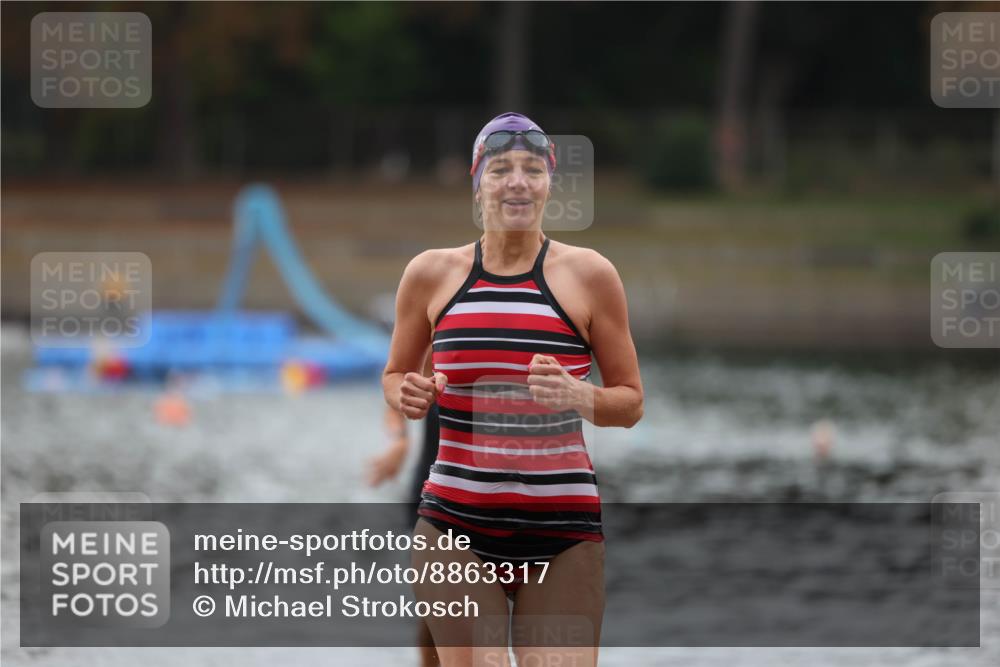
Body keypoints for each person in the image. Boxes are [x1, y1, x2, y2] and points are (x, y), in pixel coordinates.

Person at [382, 112, 643, 667]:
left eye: (532, 169)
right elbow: (395, 375)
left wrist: (579, 396)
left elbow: (631, 401)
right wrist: (405, 394)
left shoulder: (590, 275)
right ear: (478, 186)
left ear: (550, 184)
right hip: (455, 526)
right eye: (500, 169)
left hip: (564, 535)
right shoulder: (431, 274)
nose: (517, 182)